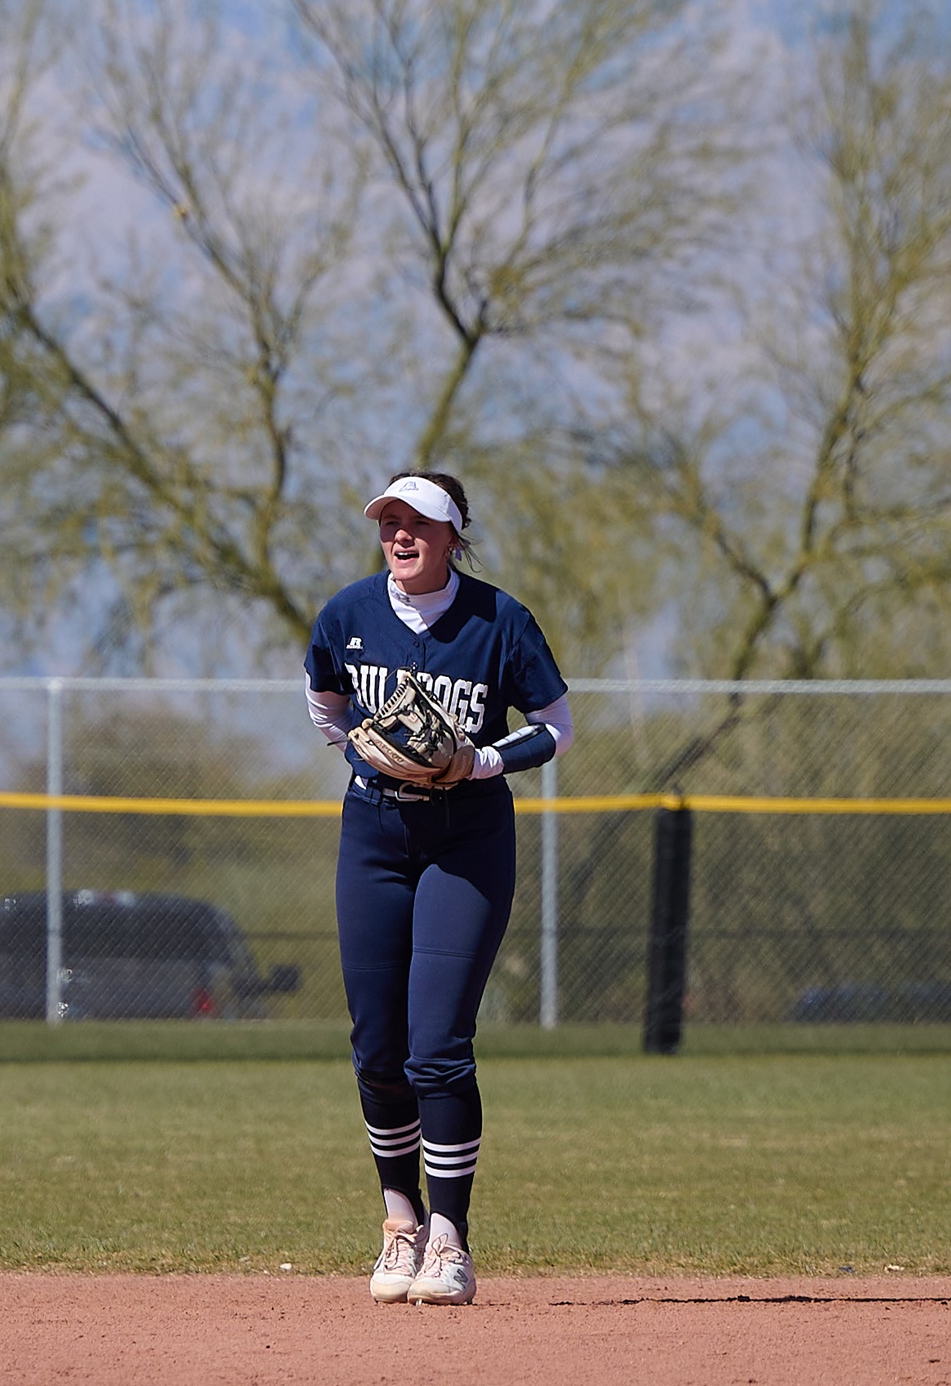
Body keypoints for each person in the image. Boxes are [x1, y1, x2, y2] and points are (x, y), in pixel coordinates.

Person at [305, 472, 572, 1308]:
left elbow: (557, 727)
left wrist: (478, 760)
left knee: (438, 1048)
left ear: (454, 535)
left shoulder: (500, 621)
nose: (400, 534)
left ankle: (450, 1241)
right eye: (390, 521)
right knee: (378, 1048)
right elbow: (324, 704)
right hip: (374, 837)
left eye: (419, 522)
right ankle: (400, 1224)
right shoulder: (348, 614)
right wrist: (363, 750)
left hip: (467, 839)